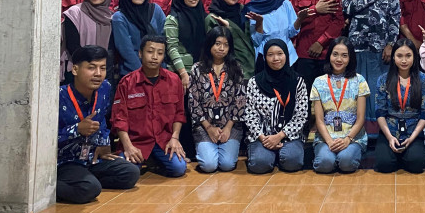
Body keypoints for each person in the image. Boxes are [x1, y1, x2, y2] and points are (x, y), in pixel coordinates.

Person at [57, 46, 140, 204]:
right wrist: (77, 129)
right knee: (89, 189)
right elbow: (44, 139)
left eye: (102, 68)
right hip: (65, 161)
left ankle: (84, 180)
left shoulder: (104, 87)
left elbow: (101, 120)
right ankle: (48, 189)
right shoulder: (59, 96)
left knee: (130, 173)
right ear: (75, 69)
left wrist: (103, 143)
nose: (98, 73)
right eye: (91, 68)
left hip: (91, 157)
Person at [342, 0, 401, 135]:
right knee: (357, 91)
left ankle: (379, 133)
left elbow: (395, 16)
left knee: (379, 90)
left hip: (381, 48)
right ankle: (357, 132)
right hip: (357, 48)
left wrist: (391, 44)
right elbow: (347, 8)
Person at [112, 35, 187, 177]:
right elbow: (119, 119)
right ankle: (146, 160)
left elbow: (179, 114)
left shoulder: (174, 80)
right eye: (150, 51)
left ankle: (155, 161)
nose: (154, 57)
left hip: (163, 141)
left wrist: (175, 138)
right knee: (128, 171)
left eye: (160, 53)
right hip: (136, 142)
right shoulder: (127, 83)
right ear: (140, 53)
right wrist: (128, 146)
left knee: (179, 169)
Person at [188, 27, 247, 173]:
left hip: (231, 126)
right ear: (209, 44)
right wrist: (209, 128)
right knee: (209, 165)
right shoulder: (197, 69)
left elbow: (240, 101)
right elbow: (193, 102)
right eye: (217, 43)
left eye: (226, 45)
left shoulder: (236, 68)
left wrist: (228, 127)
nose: (221, 48)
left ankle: (221, 148)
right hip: (204, 126)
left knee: (227, 165)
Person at [243, 40, 308, 173]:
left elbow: (301, 115)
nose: (276, 58)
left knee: (292, 162)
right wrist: (263, 138)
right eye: (270, 55)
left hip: (289, 135)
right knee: (260, 164)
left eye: (280, 54)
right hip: (262, 136)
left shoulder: (297, 81)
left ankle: (280, 155)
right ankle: (269, 156)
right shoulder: (254, 82)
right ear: (265, 58)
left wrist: (279, 136)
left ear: (286, 55)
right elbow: (250, 115)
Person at [310, 37, 370, 173]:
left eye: (344, 56)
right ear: (329, 55)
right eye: (335, 54)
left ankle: (346, 155)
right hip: (326, 137)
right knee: (325, 164)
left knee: (346, 162)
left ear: (350, 58)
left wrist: (348, 139)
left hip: (353, 137)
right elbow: (319, 120)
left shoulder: (359, 80)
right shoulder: (319, 82)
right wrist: (330, 142)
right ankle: (328, 156)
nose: (339, 59)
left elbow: (361, 118)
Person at [289, 0, 344, 94]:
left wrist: (321, 42)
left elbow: (338, 21)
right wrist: (315, 9)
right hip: (303, 52)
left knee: (329, 94)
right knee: (304, 94)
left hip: (328, 51)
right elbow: (294, 19)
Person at [374, 39, 425, 173]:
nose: (404, 60)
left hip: (413, 132)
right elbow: (380, 112)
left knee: (417, 164)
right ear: (393, 57)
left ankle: (406, 154)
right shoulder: (383, 80)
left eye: (408, 56)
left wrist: (412, 138)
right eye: (399, 56)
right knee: (384, 165)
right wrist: (389, 137)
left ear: (414, 57)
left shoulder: (424, 80)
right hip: (389, 131)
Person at [244, 0, 308, 73]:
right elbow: (256, 41)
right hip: (264, 58)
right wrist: (259, 22)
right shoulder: (253, 7)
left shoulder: (285, 3)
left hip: (288, 57)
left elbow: (291, 33)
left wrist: (299, 20)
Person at [62, 0, 114, 83]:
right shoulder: (74, 13)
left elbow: (111, 49)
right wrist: (89, 65)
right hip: (78, 70)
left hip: (102, 73)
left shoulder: (110, 17)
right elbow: (72, 46)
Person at [111, 0, 166, 77]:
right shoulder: (119, 17)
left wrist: (159, 71)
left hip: (159, 70)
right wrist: (144, 74)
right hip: (132, 74)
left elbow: (164, 39)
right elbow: (126, 51)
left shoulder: (156, 10)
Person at [207, 0, 256, 78]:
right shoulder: (213, 18)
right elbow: (213, 49)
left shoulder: (243, 11)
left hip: (251, 66)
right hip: (230, 71)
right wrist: (227, 29)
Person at [164, 0, 206, 90]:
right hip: (179, 73)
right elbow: (172, 49)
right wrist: (183, 73)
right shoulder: (172, 19)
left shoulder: (202, 16)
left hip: (200, 71)